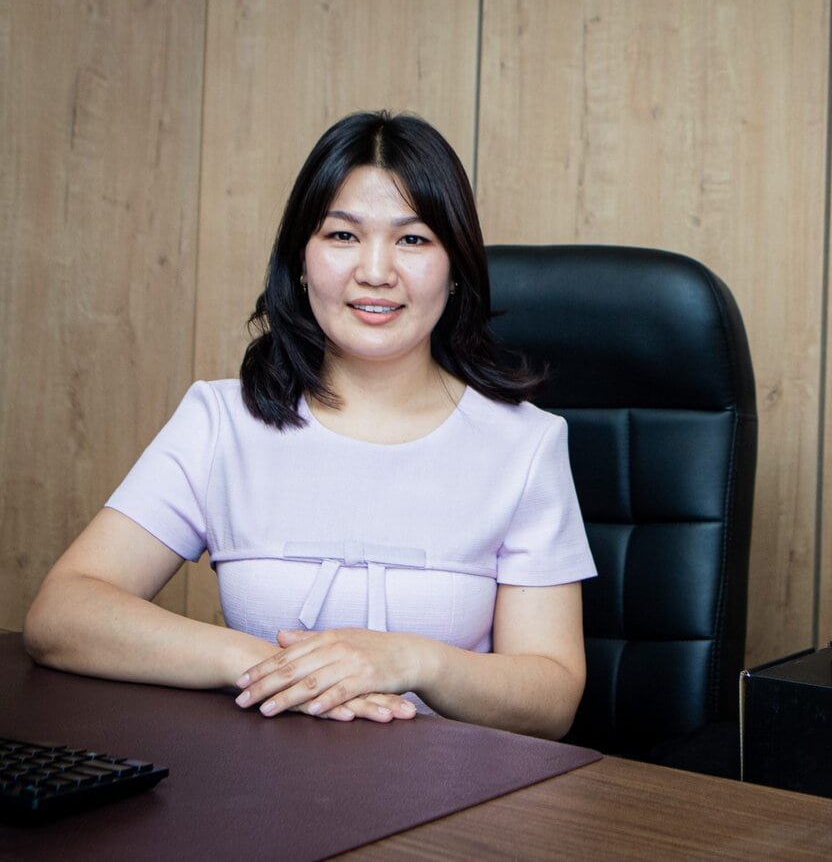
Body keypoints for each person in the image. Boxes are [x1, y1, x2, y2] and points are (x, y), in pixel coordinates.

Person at [24, 112, 596, 740]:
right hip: (261, 786)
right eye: (343, 235)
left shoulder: (524, 444)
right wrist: (262, 665)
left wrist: (410, 661)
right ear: (300, 258)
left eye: (413, 239)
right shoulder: (222, 421)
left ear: (456, 266)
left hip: (451, 803)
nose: (376, 271)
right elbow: (63, 613)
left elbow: (551, 697)